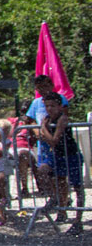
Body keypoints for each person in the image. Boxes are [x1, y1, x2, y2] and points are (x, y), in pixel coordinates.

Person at [36, 92, 84, 235]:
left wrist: (43, 129)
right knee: (50, 175)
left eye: (52, 106)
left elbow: (54, 140)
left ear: (59, 106)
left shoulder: (62, 119)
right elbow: (44, 138)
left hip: (71, 155)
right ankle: (58, 203)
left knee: (77, 187)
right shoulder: (47, 119)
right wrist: (42, 132)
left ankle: (78, 219)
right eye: (47, 106)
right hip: (58, 156)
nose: (49, 109)